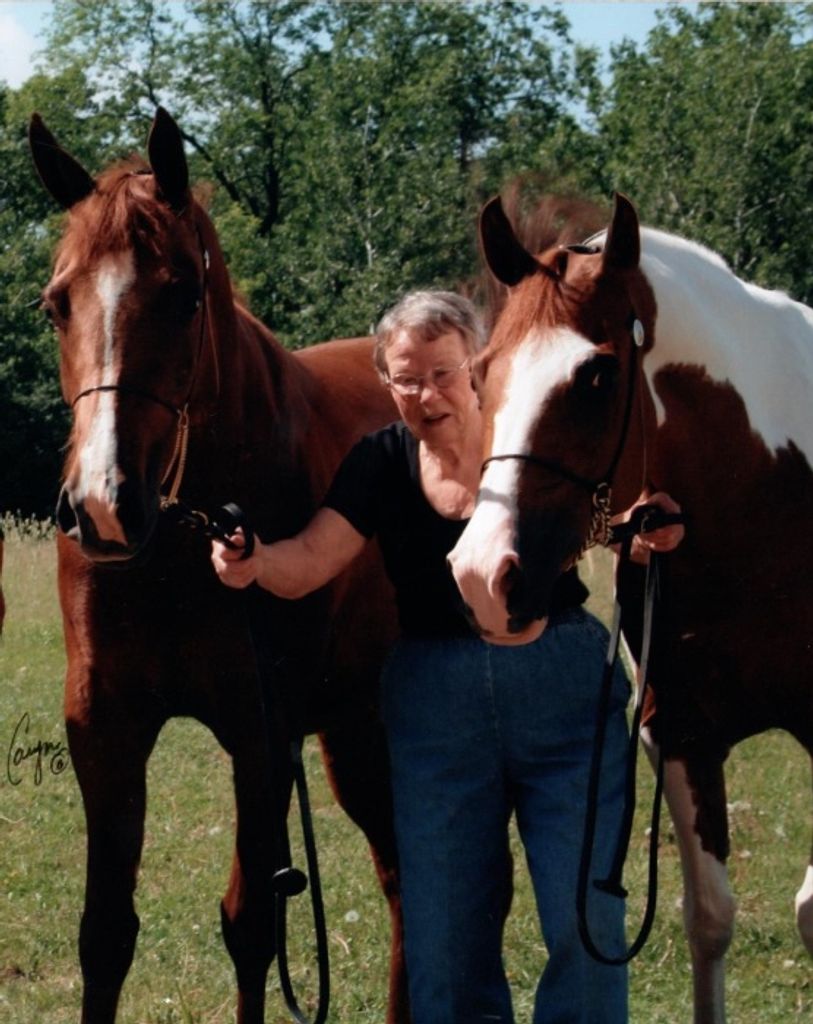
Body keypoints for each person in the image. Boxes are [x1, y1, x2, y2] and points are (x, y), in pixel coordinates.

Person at [211, 291, 684, 1024]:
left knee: (582, 914)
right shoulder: (381, 462)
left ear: (477, 370)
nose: (425, 394)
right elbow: (309, 560)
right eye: (404, 378)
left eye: (441, 372)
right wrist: (251, 563)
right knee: (444, 934)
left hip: (559, 692)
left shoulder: (525, 437)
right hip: (436, 708)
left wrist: (644, 531)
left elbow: (605, 518)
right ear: (386, 383)